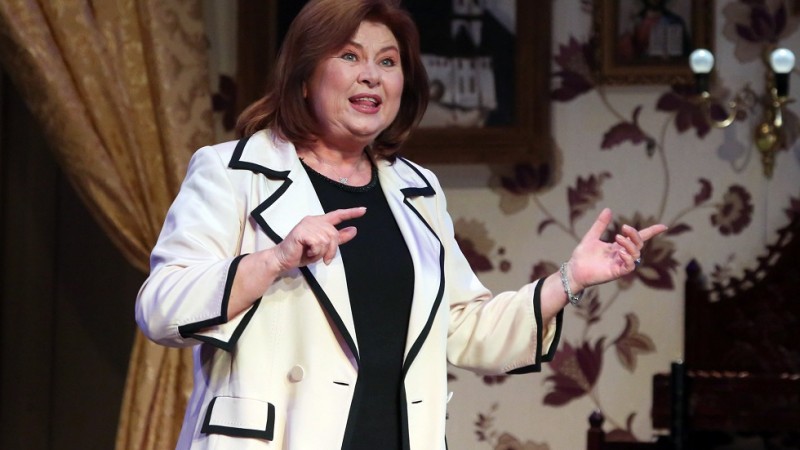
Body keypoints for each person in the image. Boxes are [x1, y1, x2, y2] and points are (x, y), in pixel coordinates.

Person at [135, 0, 668, 449]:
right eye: (349, 56)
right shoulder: (232, 172)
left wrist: (570, 280)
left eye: (388, 61)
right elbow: (161, 308)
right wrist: (275, 259)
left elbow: (463, 327)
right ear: (304, 78)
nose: (371, 74)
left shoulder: (418, 189)